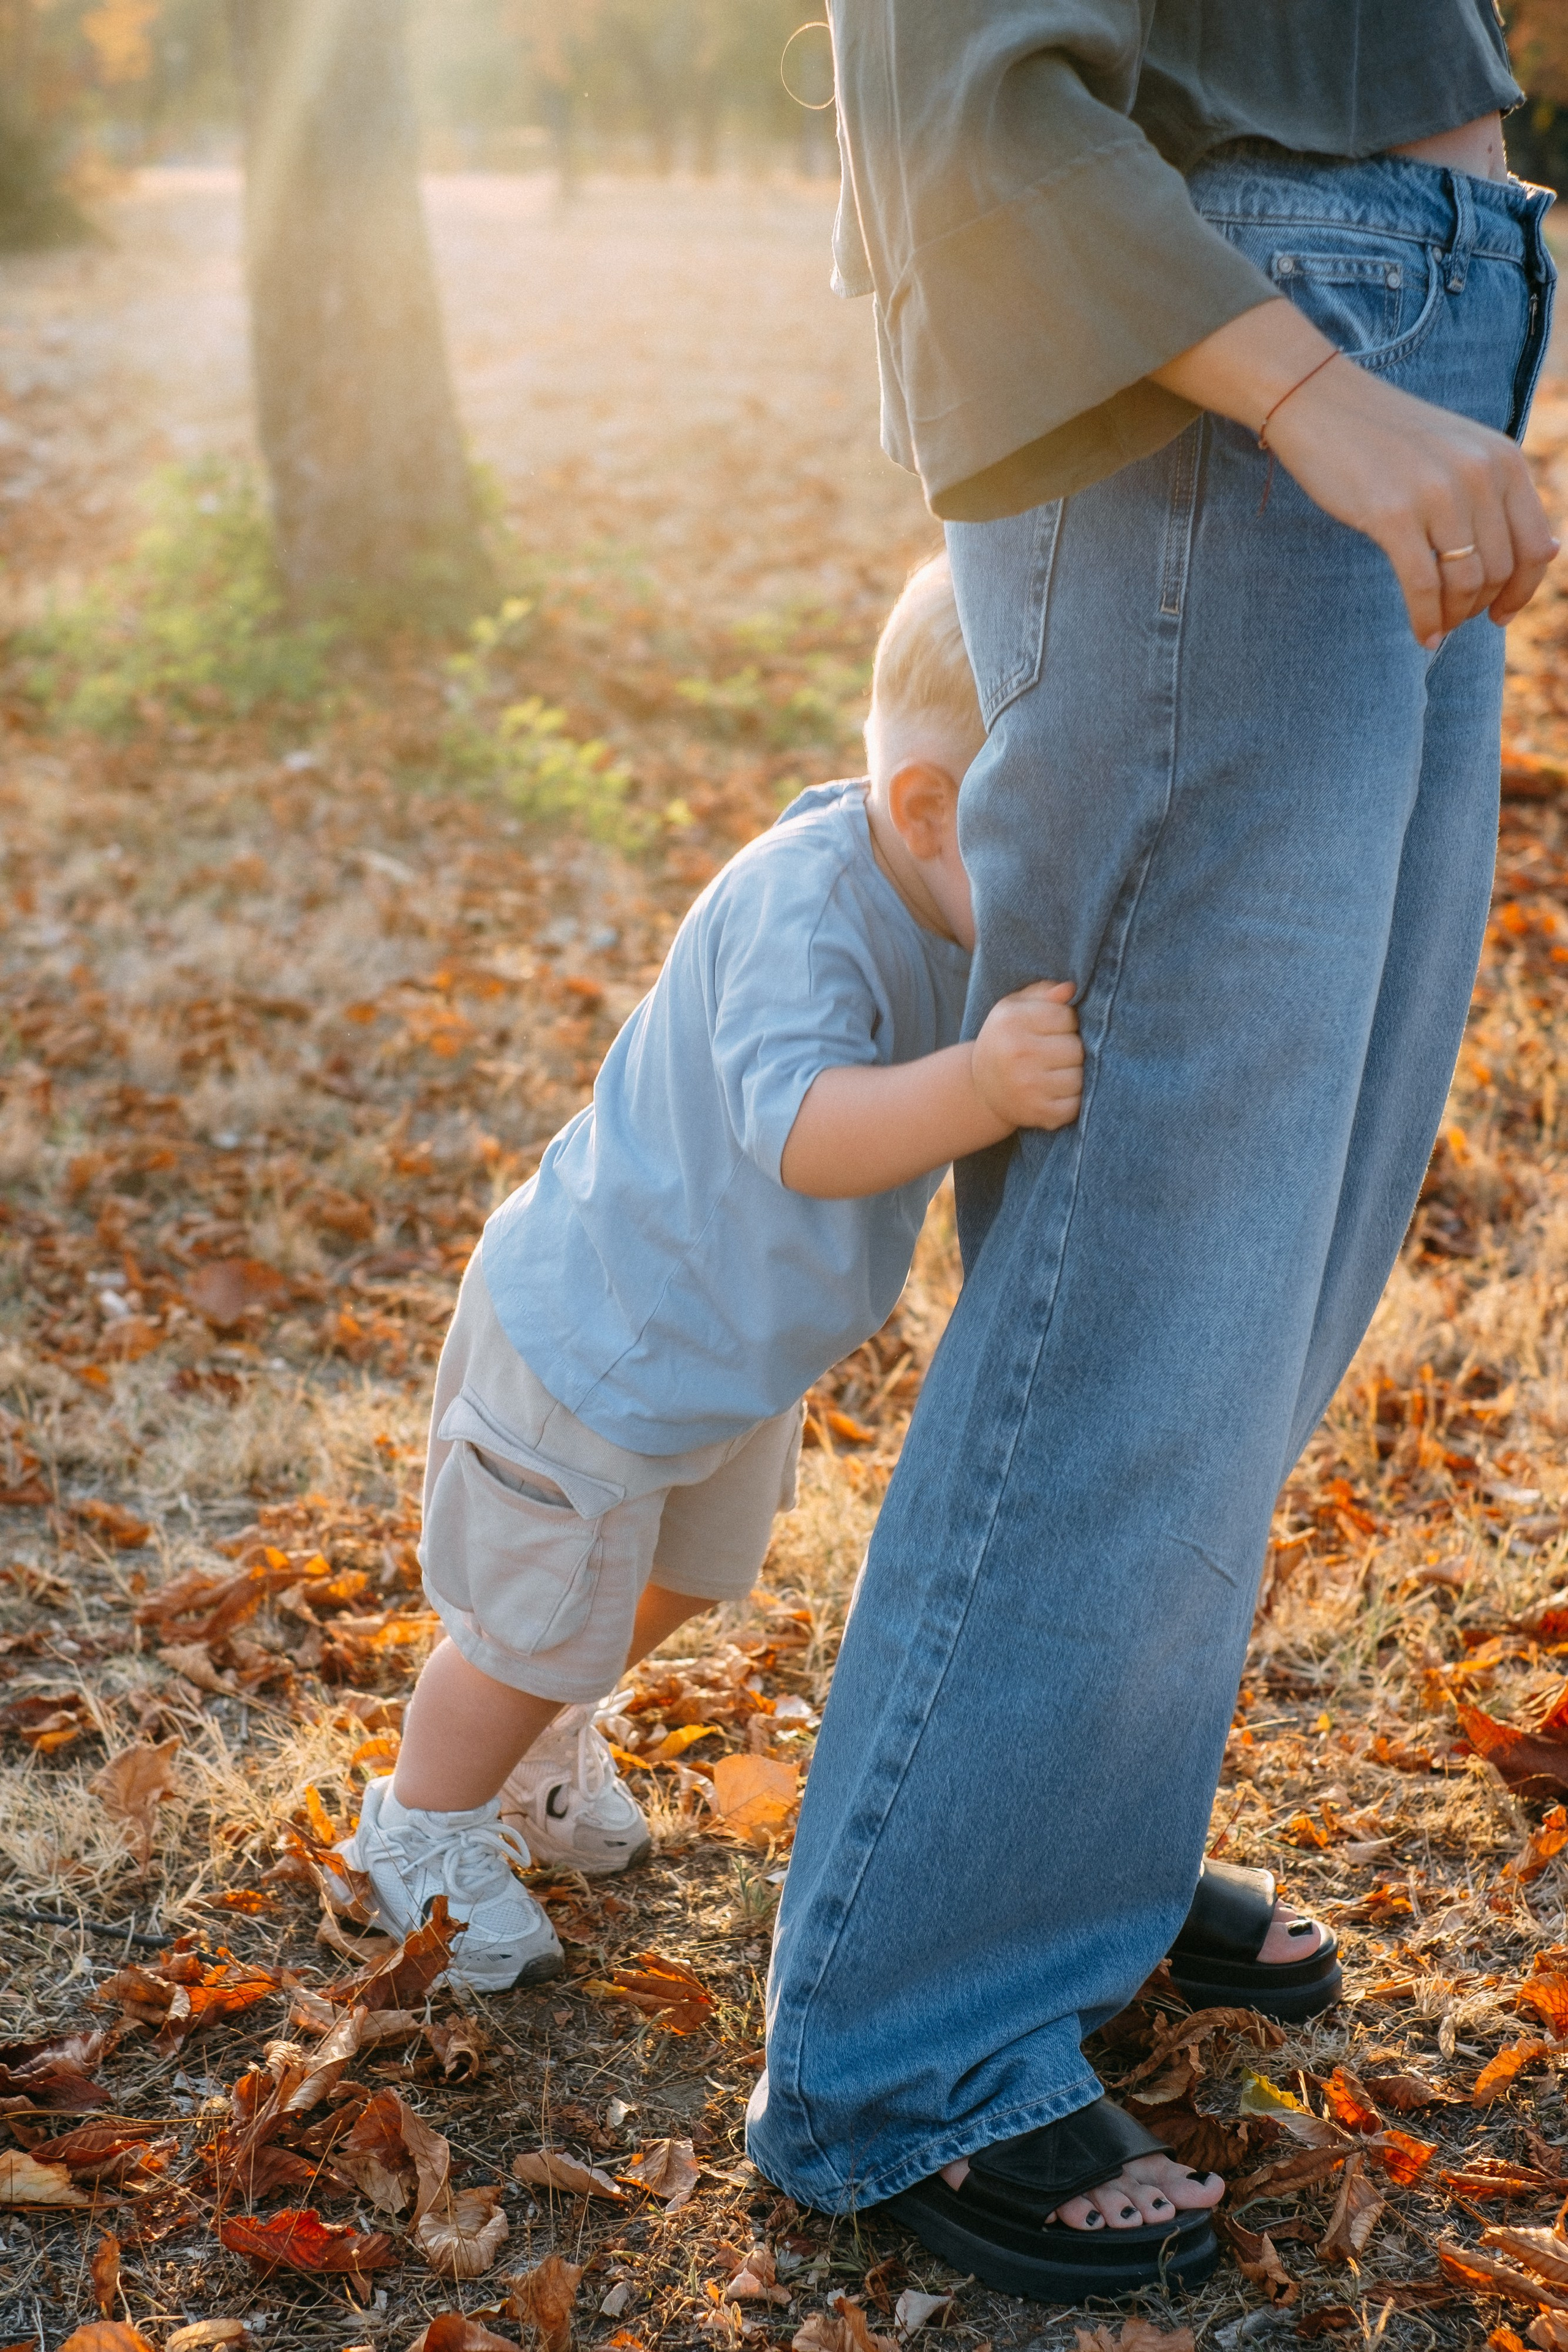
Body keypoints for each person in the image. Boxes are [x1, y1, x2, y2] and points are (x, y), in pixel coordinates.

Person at [744, 0, 1560, 2307]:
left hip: (1395, 329)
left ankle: (1057, 1849)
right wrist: (1310, 386)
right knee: (1158, 1246)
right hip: (1249, 371)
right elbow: (961, 80)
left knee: (1280, 1247)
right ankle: (915, 2037)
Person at [333, 556, 1085, 1989]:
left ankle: (536, 1743)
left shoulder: (935, 889)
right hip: (601, 1339)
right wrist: (982, 1087)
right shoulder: (806, 908)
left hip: (726, 1349)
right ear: (931, 809)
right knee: (526, 1626)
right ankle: (415, 1826)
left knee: (684, 1574)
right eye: (1047, 840)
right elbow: (800, 1127)